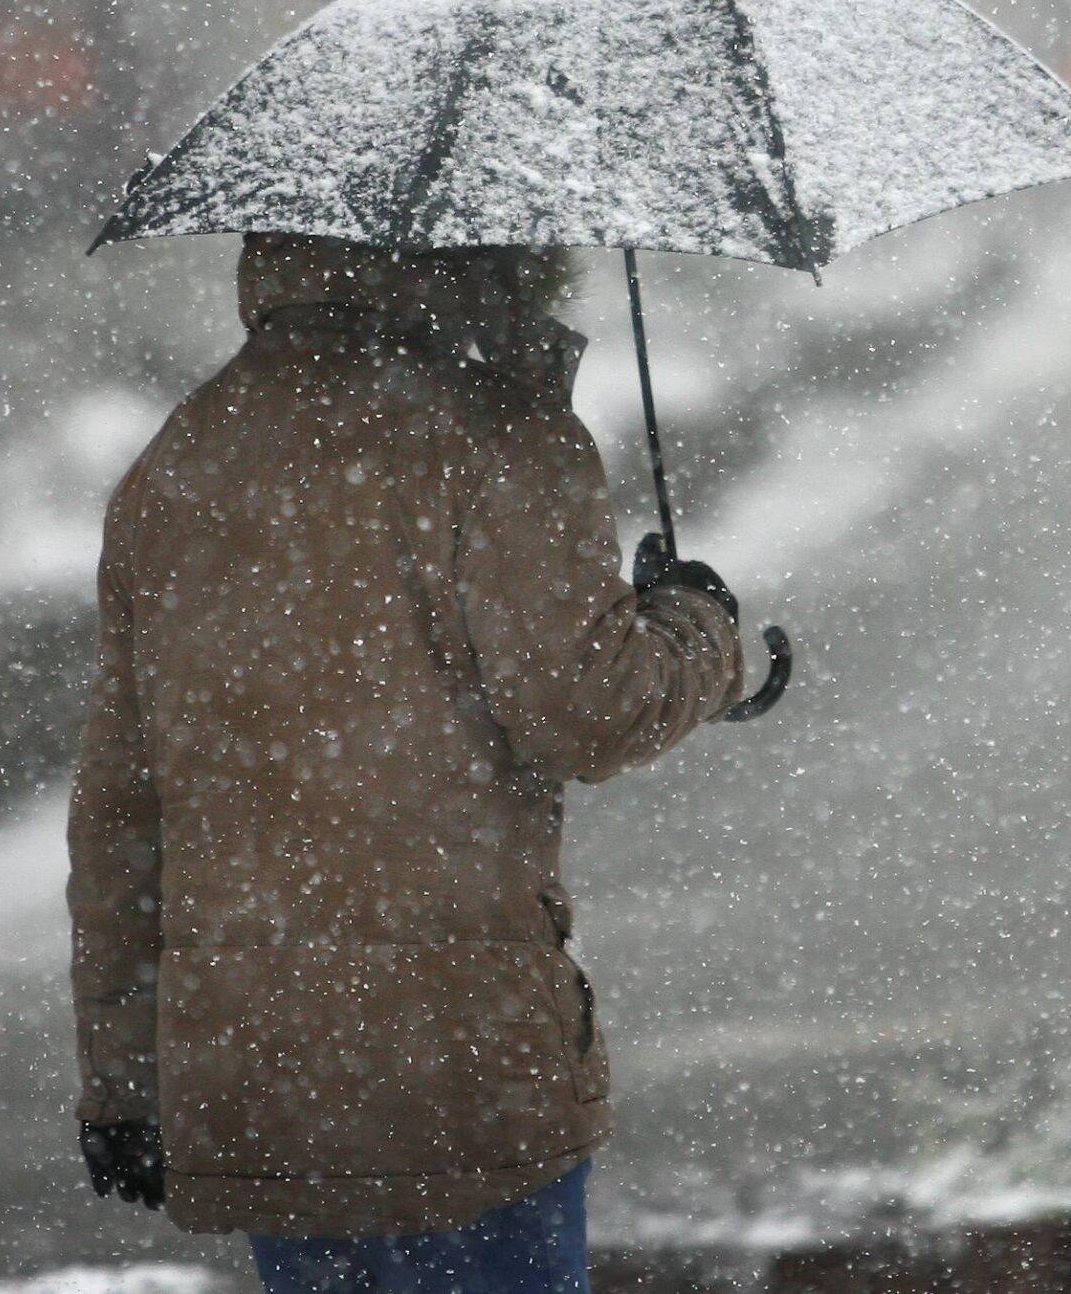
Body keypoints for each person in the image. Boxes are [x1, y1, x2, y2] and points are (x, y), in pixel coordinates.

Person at [68, 233, 747, 1294]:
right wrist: (700, 622)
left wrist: (121, 1079)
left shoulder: (185, 454)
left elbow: (121, 809)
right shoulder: (499, 436)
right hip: (462, 1066)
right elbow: (590, 709)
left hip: (262, 1070)